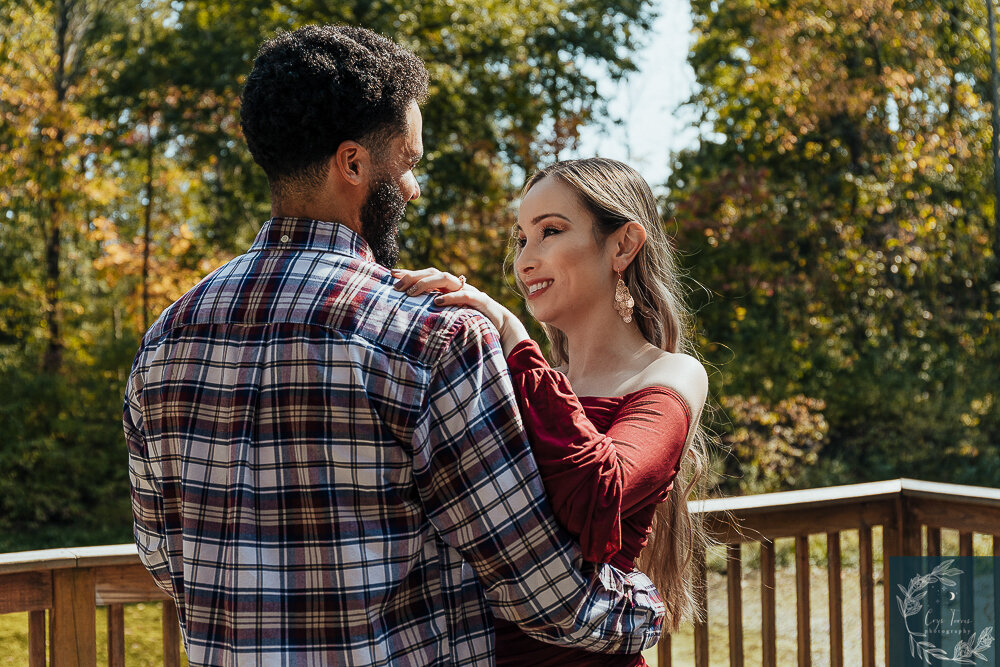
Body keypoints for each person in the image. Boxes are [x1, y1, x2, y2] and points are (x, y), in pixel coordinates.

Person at [123, 26, 665, 666]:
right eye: (408, 164)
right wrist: (643, 614)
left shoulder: (166, 340)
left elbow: (164, 557)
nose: (413, 189)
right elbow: (541, 591)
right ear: (352, 164)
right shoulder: (432, 338)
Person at [392, 157, 711, 666]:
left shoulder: (673, 375)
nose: (524, 261)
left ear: (623, 245)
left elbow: (596, 492)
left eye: (550, 232)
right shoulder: (514, 378)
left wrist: (511, 332)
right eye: (522, 239)